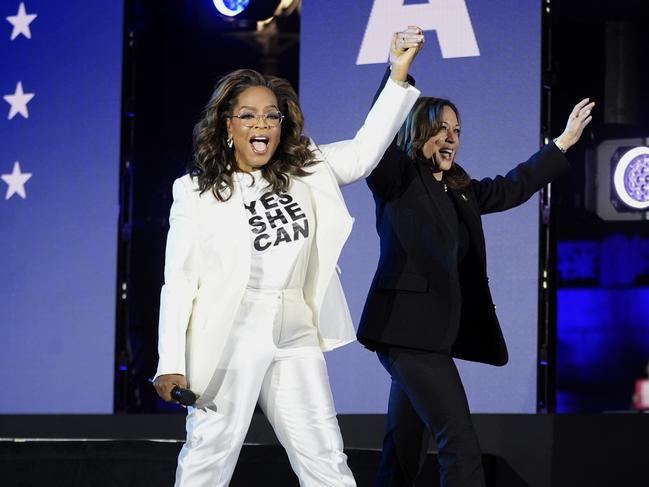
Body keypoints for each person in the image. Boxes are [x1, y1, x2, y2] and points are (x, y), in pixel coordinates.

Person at [151, 27, 423, 487]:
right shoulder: (195, 193)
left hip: (294, 328)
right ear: (228, 125)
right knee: (209, 457)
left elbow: (362, 152)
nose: (262, 125)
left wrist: (398, 73)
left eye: (272, 116)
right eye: (249, 115)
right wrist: (169, 361)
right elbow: (178, 282)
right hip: (231, 334)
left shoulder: (306, 169)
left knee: (325, 456)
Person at [357, 78, 595, 486]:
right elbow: (379, 130)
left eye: (457, 131)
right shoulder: (396, 177)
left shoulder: (458, 189)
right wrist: (397, 74)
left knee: (404, 451)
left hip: (432, 338)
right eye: (441, 129)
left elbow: (511, 187)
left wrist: (562, 144)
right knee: (460, 444)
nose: (451, 138)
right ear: (417, 130)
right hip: (406, 335)